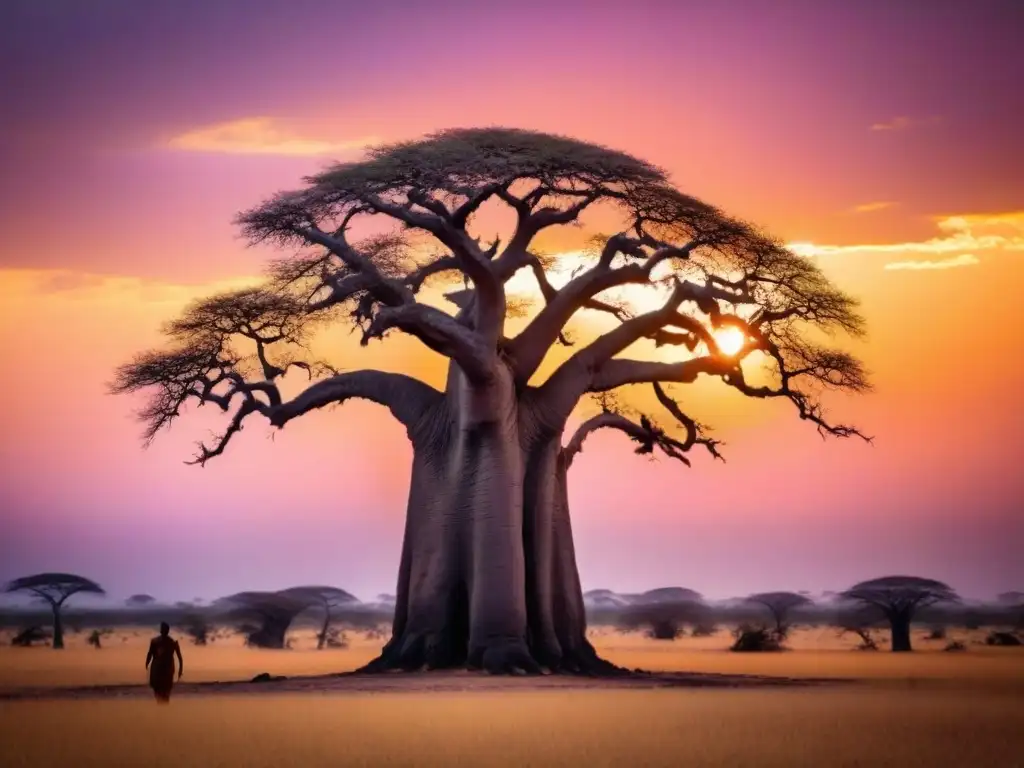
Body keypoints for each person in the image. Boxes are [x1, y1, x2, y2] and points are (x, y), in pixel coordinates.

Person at [145, 622, 183, 704]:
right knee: (161, 691)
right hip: (160, 669)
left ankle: (163, 708)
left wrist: (147, 663)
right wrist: (180, 669)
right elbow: (150, 654)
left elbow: (149, 654)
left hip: (164, 669)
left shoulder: (170, 642)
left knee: (163, 691)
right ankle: (162, 708)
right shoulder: (160, 642)